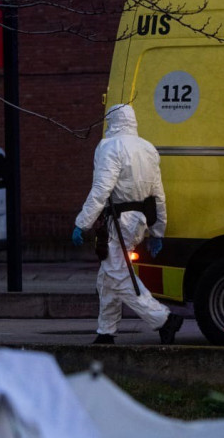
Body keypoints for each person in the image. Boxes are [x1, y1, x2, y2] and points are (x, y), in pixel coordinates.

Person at [72, 103, 184, 345]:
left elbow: (102, 189)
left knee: (118, 274)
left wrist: (83, 222)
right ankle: (106, 332)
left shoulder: (109, 147)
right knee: (107, 278)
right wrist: (157, 231)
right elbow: (158, 194)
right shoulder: (148, 148)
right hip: (139, 220)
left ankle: (164, 319)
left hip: (119, 221)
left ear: (111, 120)